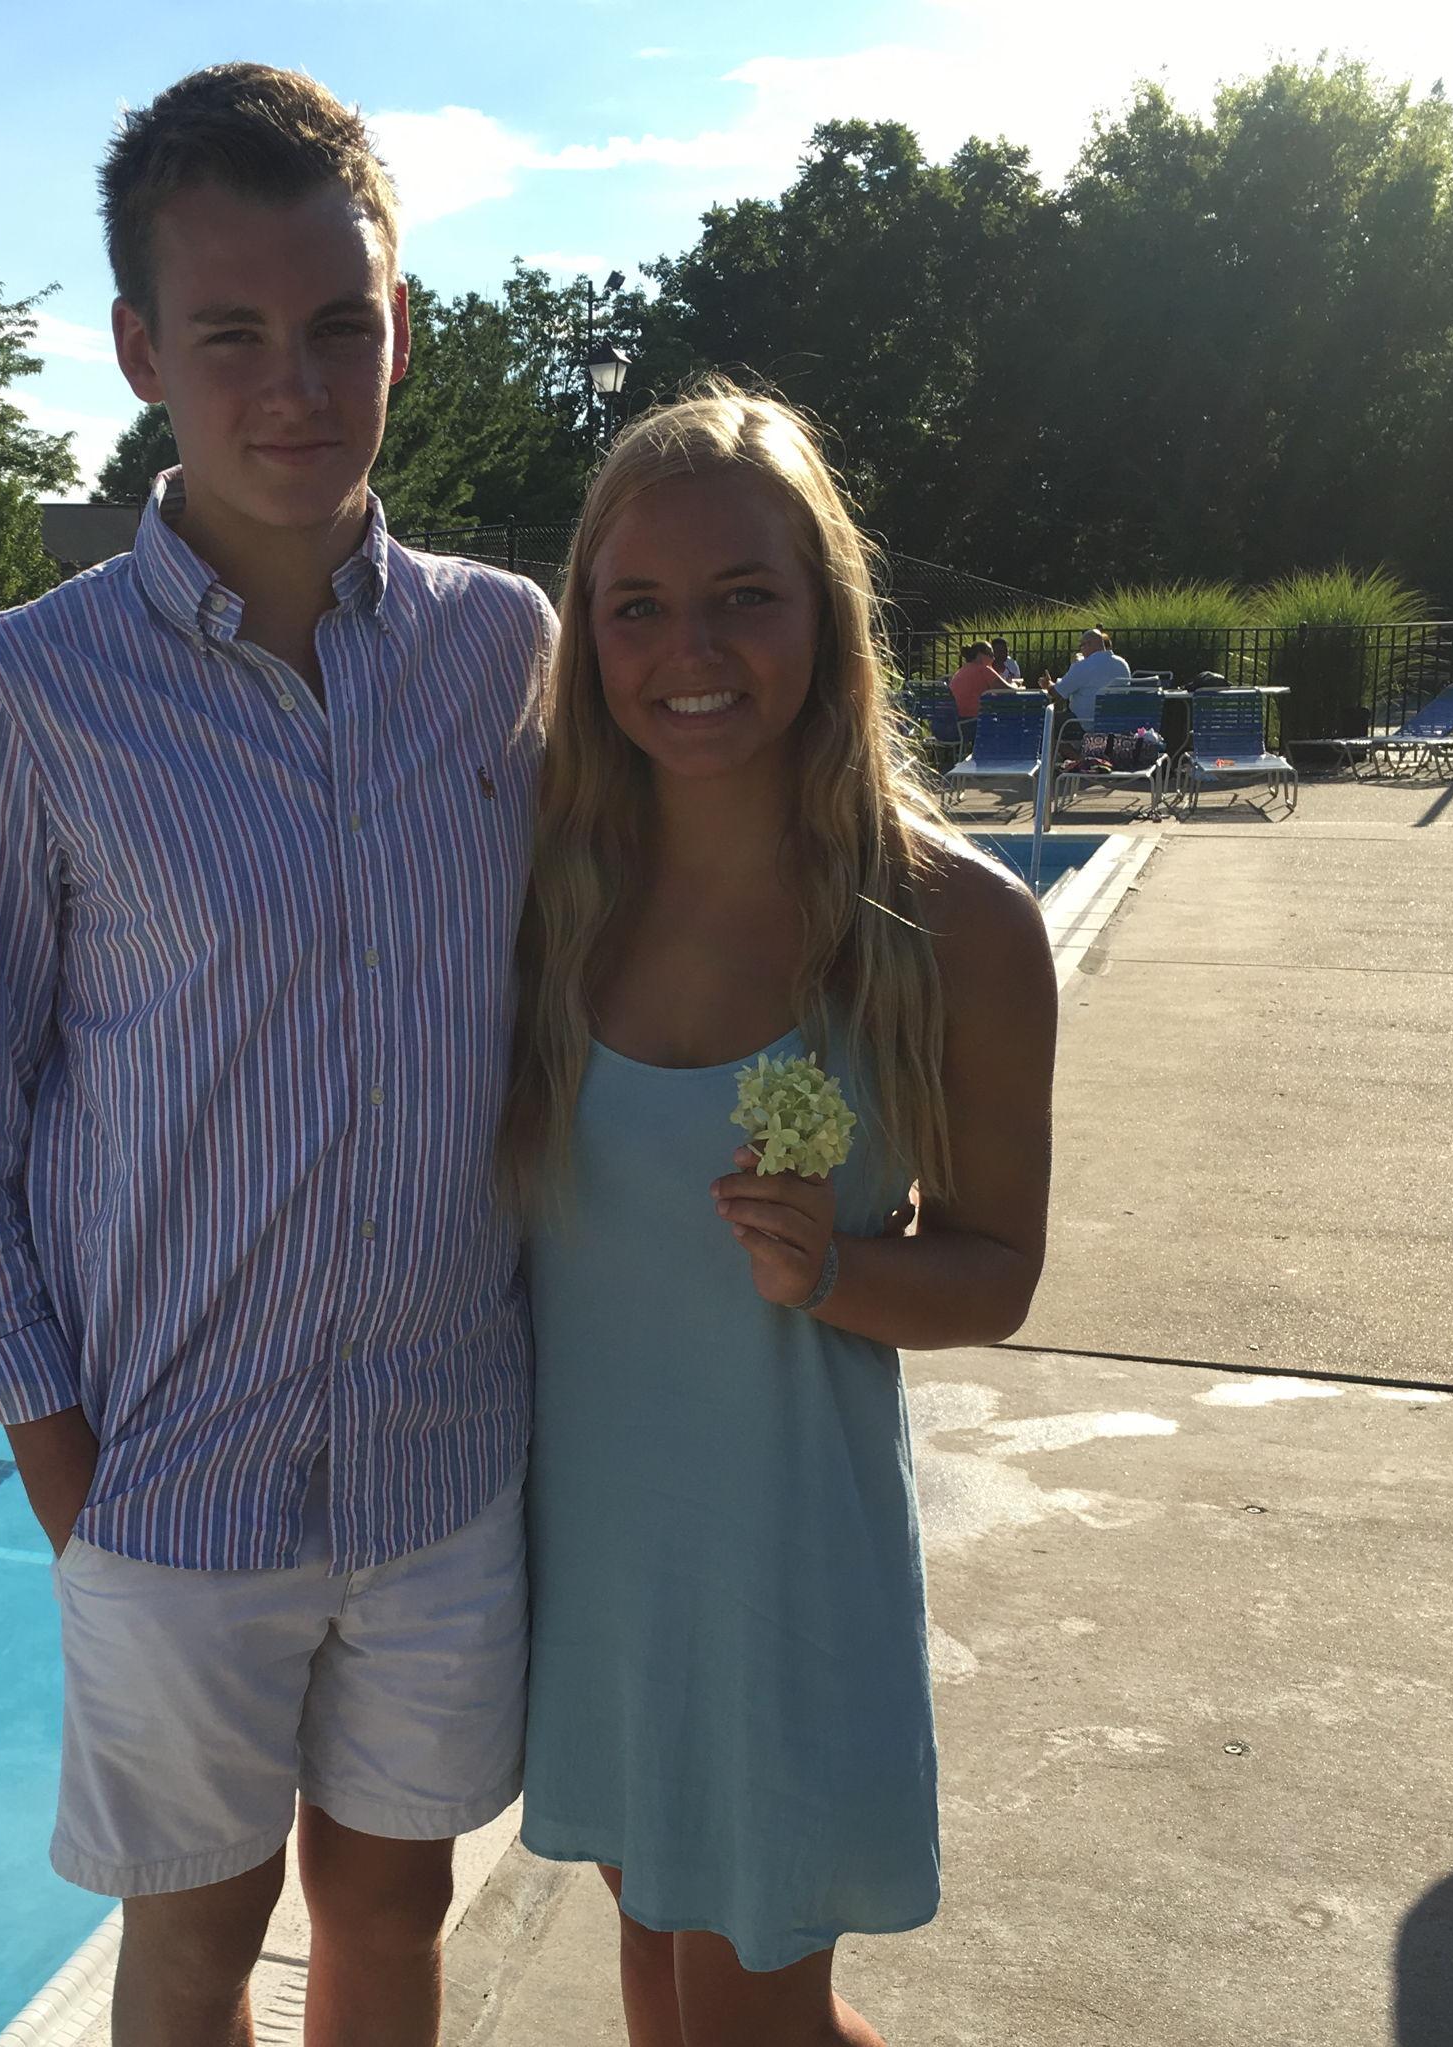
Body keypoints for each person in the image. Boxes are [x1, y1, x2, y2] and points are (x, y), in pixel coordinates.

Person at [0, 63, 553, 2047]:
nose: (296, 387)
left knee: (392, 1910)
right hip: (169, 1481)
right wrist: (81, 1498)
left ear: (399, 328)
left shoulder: (503, 651)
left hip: (444, 1461)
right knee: (192, 1934)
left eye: (340, 326)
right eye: (232, 335)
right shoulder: (18, 696)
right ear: (137, 352)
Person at [506, 381, 1056, 2047]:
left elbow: (996, 1273)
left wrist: (833, 1274)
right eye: (637, 606)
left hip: (782, 1571)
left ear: (825, 610)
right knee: (658, 1976)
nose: (691, 648)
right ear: (589, 635)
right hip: (593, 1561)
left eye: (744, 595)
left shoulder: (952, 924)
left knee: (751, 2018)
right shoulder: (547, 897)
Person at [1055, 626, 1133, 733]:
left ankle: (1059, 745)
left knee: (1049, 719)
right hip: (1116, 725)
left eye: (1081, 646)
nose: (1081, 650)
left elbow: (1057, 692)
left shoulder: (1084, 666)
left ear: (1089, 644)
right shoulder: (1123, 664)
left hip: (1085, 724)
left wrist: (1047, 684)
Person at [946, 638, 1015, 747]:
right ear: (980, 655)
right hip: (969, 724)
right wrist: (1015, 685)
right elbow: (1009, 690)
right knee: (1006, 722)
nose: (993, 658)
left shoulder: (962, 670)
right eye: (990, 654)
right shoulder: (984, 669)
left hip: (950, 725)